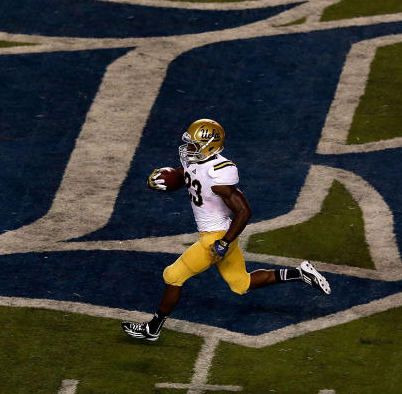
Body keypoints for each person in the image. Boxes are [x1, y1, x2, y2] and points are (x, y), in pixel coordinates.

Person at [121, 118, 331, 342]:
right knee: (241, 284)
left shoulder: (219, 173)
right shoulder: (197, 159)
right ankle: (301, 274)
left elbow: (244, 212)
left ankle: (153, 328)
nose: (189, 148)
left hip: (216, 237)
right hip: (217, 234)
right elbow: (186, 176)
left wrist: (225, 242)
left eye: (194, 144)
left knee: (173, 275)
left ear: (209, 146)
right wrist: (165, 180)